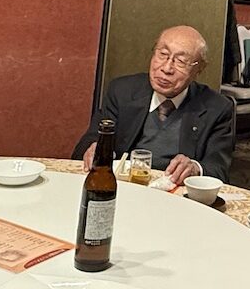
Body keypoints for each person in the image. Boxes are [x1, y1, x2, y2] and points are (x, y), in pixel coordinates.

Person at [74, 26, 236, 183]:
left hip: (175, 192)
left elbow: (218, 169)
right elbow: (89, 141)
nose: (166, 68)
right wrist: (94, 148)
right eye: (163, 54)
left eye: (181, 61)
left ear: (198, 69)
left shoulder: (217, 108)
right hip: (125, 185)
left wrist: (194, 168)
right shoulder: (122, 91)